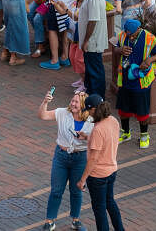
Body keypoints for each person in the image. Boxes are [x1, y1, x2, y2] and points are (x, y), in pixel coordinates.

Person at [38, 89, 90, 231]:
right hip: (61, 156)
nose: (72, 104)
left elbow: (99, 139)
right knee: (56, 190)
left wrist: (86, 137)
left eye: (76, 102)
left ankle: (76, 220)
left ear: (84, 105)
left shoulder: (91, 120)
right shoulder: (62, 112)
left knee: (76, 190)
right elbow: (42, 115)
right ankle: (50, 221)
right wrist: (45, 102)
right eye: (72, 101)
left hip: (80, 158)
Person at [112, 17, 156, 147]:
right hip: (125, 81)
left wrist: (149, 60)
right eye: (127, 32)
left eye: (131, 33)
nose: (128, 35)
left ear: (138, 29)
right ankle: (126, 133)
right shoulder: (122, 35)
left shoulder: (149, 38)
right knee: (123, 110)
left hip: (141, 82)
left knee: (142, 112)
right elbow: (115, 49)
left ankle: (144, 136)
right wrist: (120, 50)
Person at [76, 94, 124, 231]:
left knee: (99, 209)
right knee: (110, 202)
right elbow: (107, 140)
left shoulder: (97, 129)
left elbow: (93, 159)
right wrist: (87, 137)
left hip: (98, 176)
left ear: (94, 110)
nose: (88, 114)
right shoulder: (113, 120)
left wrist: (82, 180)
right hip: (112, 171)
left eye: (88, 111)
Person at [79, 0, 110, 97]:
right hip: (91, 41)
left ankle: (97, 96)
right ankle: (92, 93)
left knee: (95, 69)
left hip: (93, 41)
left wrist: (86, 41)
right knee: (92, 68)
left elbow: (93, 21)